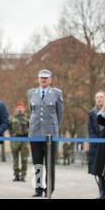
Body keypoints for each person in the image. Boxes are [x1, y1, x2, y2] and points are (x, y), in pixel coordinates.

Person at [27, 69, 63, 197]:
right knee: (37, 163)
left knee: (50, 164)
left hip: (50, 134)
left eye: (46, 78)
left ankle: (49, 189)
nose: (43, 80)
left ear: (50, 79)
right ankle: (38, 189)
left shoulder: (57, 93)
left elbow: (59, 114)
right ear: (38, 79)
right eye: (41, 78)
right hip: (35, 133)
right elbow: (31, 110)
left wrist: (54, 128)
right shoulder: (31, 93)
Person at [88, 91, 105, 199]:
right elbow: (91, 131)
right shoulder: (92, 113)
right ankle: (102, 193)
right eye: (97, 97)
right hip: (97, 146)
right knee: (98, 171)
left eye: (101, 97)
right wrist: (97, 142)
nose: (99, 99)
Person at [8, 101, 30, 182]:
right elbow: (9, 128)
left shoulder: (28, 118)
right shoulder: (12, 118)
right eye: (18, 107)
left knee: (24, 159)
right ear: (16, 109)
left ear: (23, 109)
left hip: (25, 140)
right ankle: (16, 174)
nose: (20, 109)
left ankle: (23, 175)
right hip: (15, 140)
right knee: (15, 158)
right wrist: (12, 135)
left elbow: (31, 128)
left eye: (21, 107)